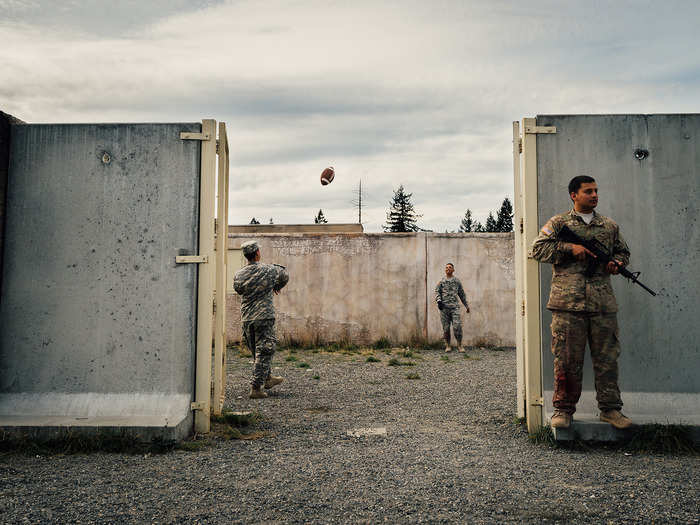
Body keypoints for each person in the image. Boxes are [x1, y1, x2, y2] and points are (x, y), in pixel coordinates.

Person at [531, 175, 633, 430]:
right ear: (574, 195)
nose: (595, 195)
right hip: (568, 305)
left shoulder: (609, 226)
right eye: (588, 191)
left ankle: (610, 410)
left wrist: (617, 263)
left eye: (596, 190)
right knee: (566, 360)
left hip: (602, 305)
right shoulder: (558, 223)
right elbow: (537, 250)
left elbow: (623, 253)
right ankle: (563, 410)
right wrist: (569, 248)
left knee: (607, 359)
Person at [233, 240, 289, 399]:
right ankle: (256, 388)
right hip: (264, 316)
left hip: (247, 318)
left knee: (257, 350)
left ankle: (268, 378)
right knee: (265, 349)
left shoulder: (239, 274)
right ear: (257, 253)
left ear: (246, 256)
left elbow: (238, 289)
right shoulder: (269, 270)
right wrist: (276, 286)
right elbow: (285, 275)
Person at [435, 263, 470, 353]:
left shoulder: (457, 281)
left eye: (450, 267)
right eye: (446, 267)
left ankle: (459, 345)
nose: (448, 269)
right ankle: (448, 345)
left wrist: (466, 305)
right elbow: (437, 292)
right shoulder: (441, 281)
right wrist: (439, 301)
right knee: (446, 328)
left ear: (453, 270)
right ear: (445, 270)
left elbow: (461, 294)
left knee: (457, 326)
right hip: (444, 308)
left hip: (455, 308)